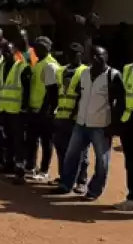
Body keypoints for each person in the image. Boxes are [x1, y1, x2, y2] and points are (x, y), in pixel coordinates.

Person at [51, 46, 123, 200]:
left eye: (100, 55)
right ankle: (66, 184)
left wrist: (114, 126)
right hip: (81, 123)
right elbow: (79, 95)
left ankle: (94, 190)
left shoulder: (113, 75)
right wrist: (73, 114)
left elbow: (120, 102)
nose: (96, 58)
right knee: (71, 156)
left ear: (107, 56)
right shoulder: (84, 74)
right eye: (94, 56)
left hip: (101, 126)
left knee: (101, 162)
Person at [53, 43, 89, 192]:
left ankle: (81, 181)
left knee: (80, 152)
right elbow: (56, 92)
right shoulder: (61, 70)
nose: (73, 56)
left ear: (81, 54)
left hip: (77, 118)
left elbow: (84, 95)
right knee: (62, 150)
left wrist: (75, 114)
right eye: (70, 53)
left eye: (76, 53)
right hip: (61, 116)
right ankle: (65, 178)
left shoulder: (86, 71)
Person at [114, 39, 133, 215]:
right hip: (130, 121)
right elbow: (121, 95)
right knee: (132, 162)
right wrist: (118, 121)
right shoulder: (128, 69)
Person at [25, 37, 60, 182]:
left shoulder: (50, 65)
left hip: (44, 111)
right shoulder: (37, 62)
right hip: (34, 108)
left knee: (46, 142)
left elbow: (53, 92)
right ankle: (31, 166)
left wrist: (46, 110)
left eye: (39, 48)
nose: (35, 50)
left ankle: (44, 170)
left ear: (47, 48)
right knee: (32, 140)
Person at [0, 41, 31, 184]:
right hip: (4, 109)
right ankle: (8, 165)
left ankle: (20, 170)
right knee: (7, 139)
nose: (6, 54)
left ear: (14, 51)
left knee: (18, 142)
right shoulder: (1, 67)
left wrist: (24, 108)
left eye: (9, 51)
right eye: (4, 52)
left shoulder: (22, 67)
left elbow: (27, 89)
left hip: (17, 111)